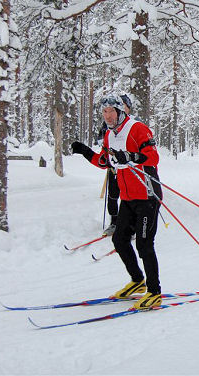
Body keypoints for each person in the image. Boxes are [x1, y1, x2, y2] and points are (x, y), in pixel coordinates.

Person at [71, 94, 163, 310]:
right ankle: (137, 280)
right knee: (119, 240)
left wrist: (130, 156)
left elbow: (153, 157)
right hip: (128, 198)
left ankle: (154, 292)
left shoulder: (137, 128)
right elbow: (105, 161)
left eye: (111, 111)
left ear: (121, 111)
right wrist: (85, 151)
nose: (108, 116)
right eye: (104, 112)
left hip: (147, 197)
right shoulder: (109, 135)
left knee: (144, 244)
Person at [96, 94, 134, 236]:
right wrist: (104, 157)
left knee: (129, 196)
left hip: (130, 168)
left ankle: (130, 224)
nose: (108, 115)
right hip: (114, 166)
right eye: (106, 111)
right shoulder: (109, 125)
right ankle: (114, 221)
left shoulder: (132, 124)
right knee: (112, 194)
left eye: (125, 105)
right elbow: (101, 139)